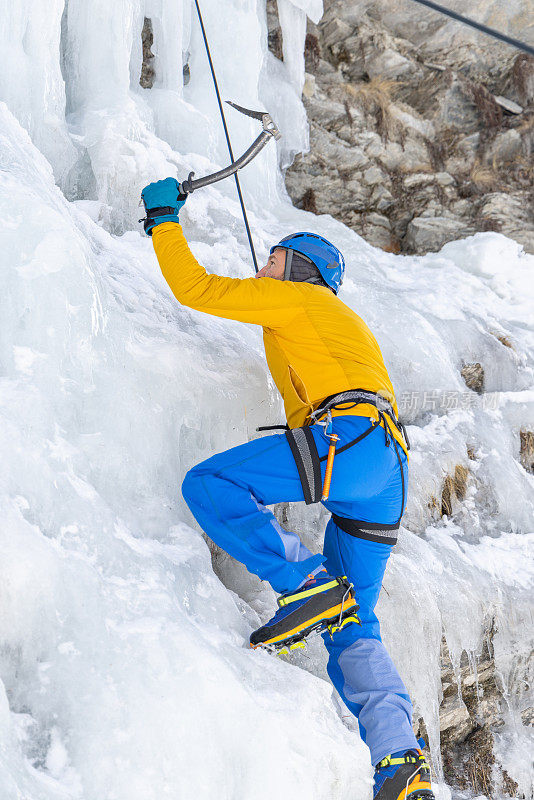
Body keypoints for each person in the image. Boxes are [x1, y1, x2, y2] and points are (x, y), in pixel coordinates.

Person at [140, 177, 434, 800]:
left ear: (298, 269)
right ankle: (400, 764)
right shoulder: (335, 320)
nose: (262, 267)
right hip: (386, 469)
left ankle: (303, 581)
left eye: (273, 259)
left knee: (209, 483)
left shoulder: (299, 301)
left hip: (348, 441)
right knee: (353, 622)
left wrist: (163, 217)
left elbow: (194, 288)